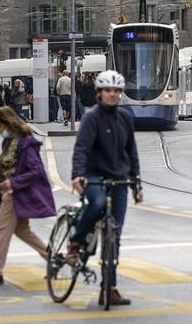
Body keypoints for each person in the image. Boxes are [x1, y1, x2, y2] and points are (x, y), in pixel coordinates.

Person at [69, 70, 143, 306]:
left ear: (120, 94)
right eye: (107, 90)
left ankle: (108, 288)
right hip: (94, 176)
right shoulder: (91, 117)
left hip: (119, 179)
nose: (112, 94)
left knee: (115, 235)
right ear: (99, 93)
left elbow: (131, 151)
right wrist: (78, 175)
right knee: (98, 204)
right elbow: (81, 149)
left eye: (116, 91)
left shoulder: (125, 117)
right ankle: (75, 243)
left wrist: (136, 183)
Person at [0, 107, 55, 285]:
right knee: (22, 231)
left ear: (7, 124)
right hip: (11, 191)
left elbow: (35, 170)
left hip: (15, 193)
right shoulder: (10, 141)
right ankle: (55, 261)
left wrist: (13, 182)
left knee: (2, 231)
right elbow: (14, 163)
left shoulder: (25, 142)